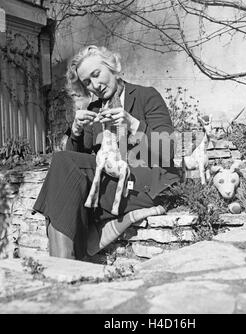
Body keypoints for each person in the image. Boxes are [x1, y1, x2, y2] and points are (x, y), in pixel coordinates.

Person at [33, 45, 180, 261]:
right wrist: (75, 133)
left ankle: (62, 272)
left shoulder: (146, 96)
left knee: (60, 197)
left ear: (112, 67)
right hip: (107, 185)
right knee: (61, 179)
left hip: (142, 183)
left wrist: (133, 123)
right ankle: (64, 268)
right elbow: (73, 167)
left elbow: (168, 151)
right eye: (87, 82)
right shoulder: (94, 111)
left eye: (96, 74)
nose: (95, 85)